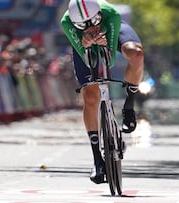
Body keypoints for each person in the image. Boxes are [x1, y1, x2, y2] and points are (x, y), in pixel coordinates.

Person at [60, 0, 144, 184]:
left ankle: (129, 105)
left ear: (99, 13)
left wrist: (105, 42)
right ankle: (97, 159)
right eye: (83, 25)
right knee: (90, 95)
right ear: (75, 23)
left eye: (94, 21)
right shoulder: (66, 22)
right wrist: (87, 44)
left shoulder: (110, 13)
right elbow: (88, 59)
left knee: (136, 54)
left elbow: (110, 61)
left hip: (112, 31)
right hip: (84, 45)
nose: (90, 27)